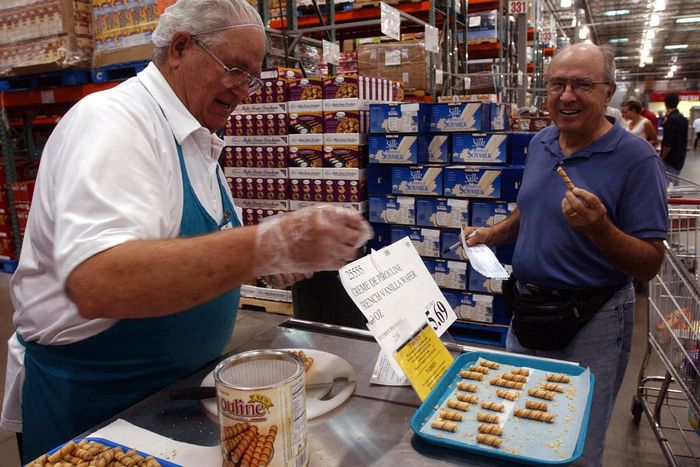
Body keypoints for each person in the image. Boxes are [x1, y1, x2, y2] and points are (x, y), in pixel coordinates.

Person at [1, 0, 373, 463]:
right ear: (179, 48)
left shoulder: (194, 136)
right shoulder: (115, 124)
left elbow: (175, 250)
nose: (244, 91)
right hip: (96, 404)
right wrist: (266, 245)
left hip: (173, 395)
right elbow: (100, 281)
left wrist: (259, 266)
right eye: (235, 69)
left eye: (252, 77)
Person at [465, 43, 667, 467]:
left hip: (592, 323)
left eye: (582, 84)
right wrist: (492, 233)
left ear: (608, 92)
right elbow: (530, 209)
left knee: (571, 445)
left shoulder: (637, 160)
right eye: (558, 83)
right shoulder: (542, 142)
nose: (567, 95)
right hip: (526, 311)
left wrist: (600, 229)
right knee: (516, 428)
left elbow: (649, 261)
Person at [660, 92, 689, 178]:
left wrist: (661, 158)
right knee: (674, 182)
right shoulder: (682, 118)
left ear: (665, 103)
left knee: (667, 183)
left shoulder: (671, 119)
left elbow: (668, 143)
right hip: (680, 156)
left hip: (670, 159)